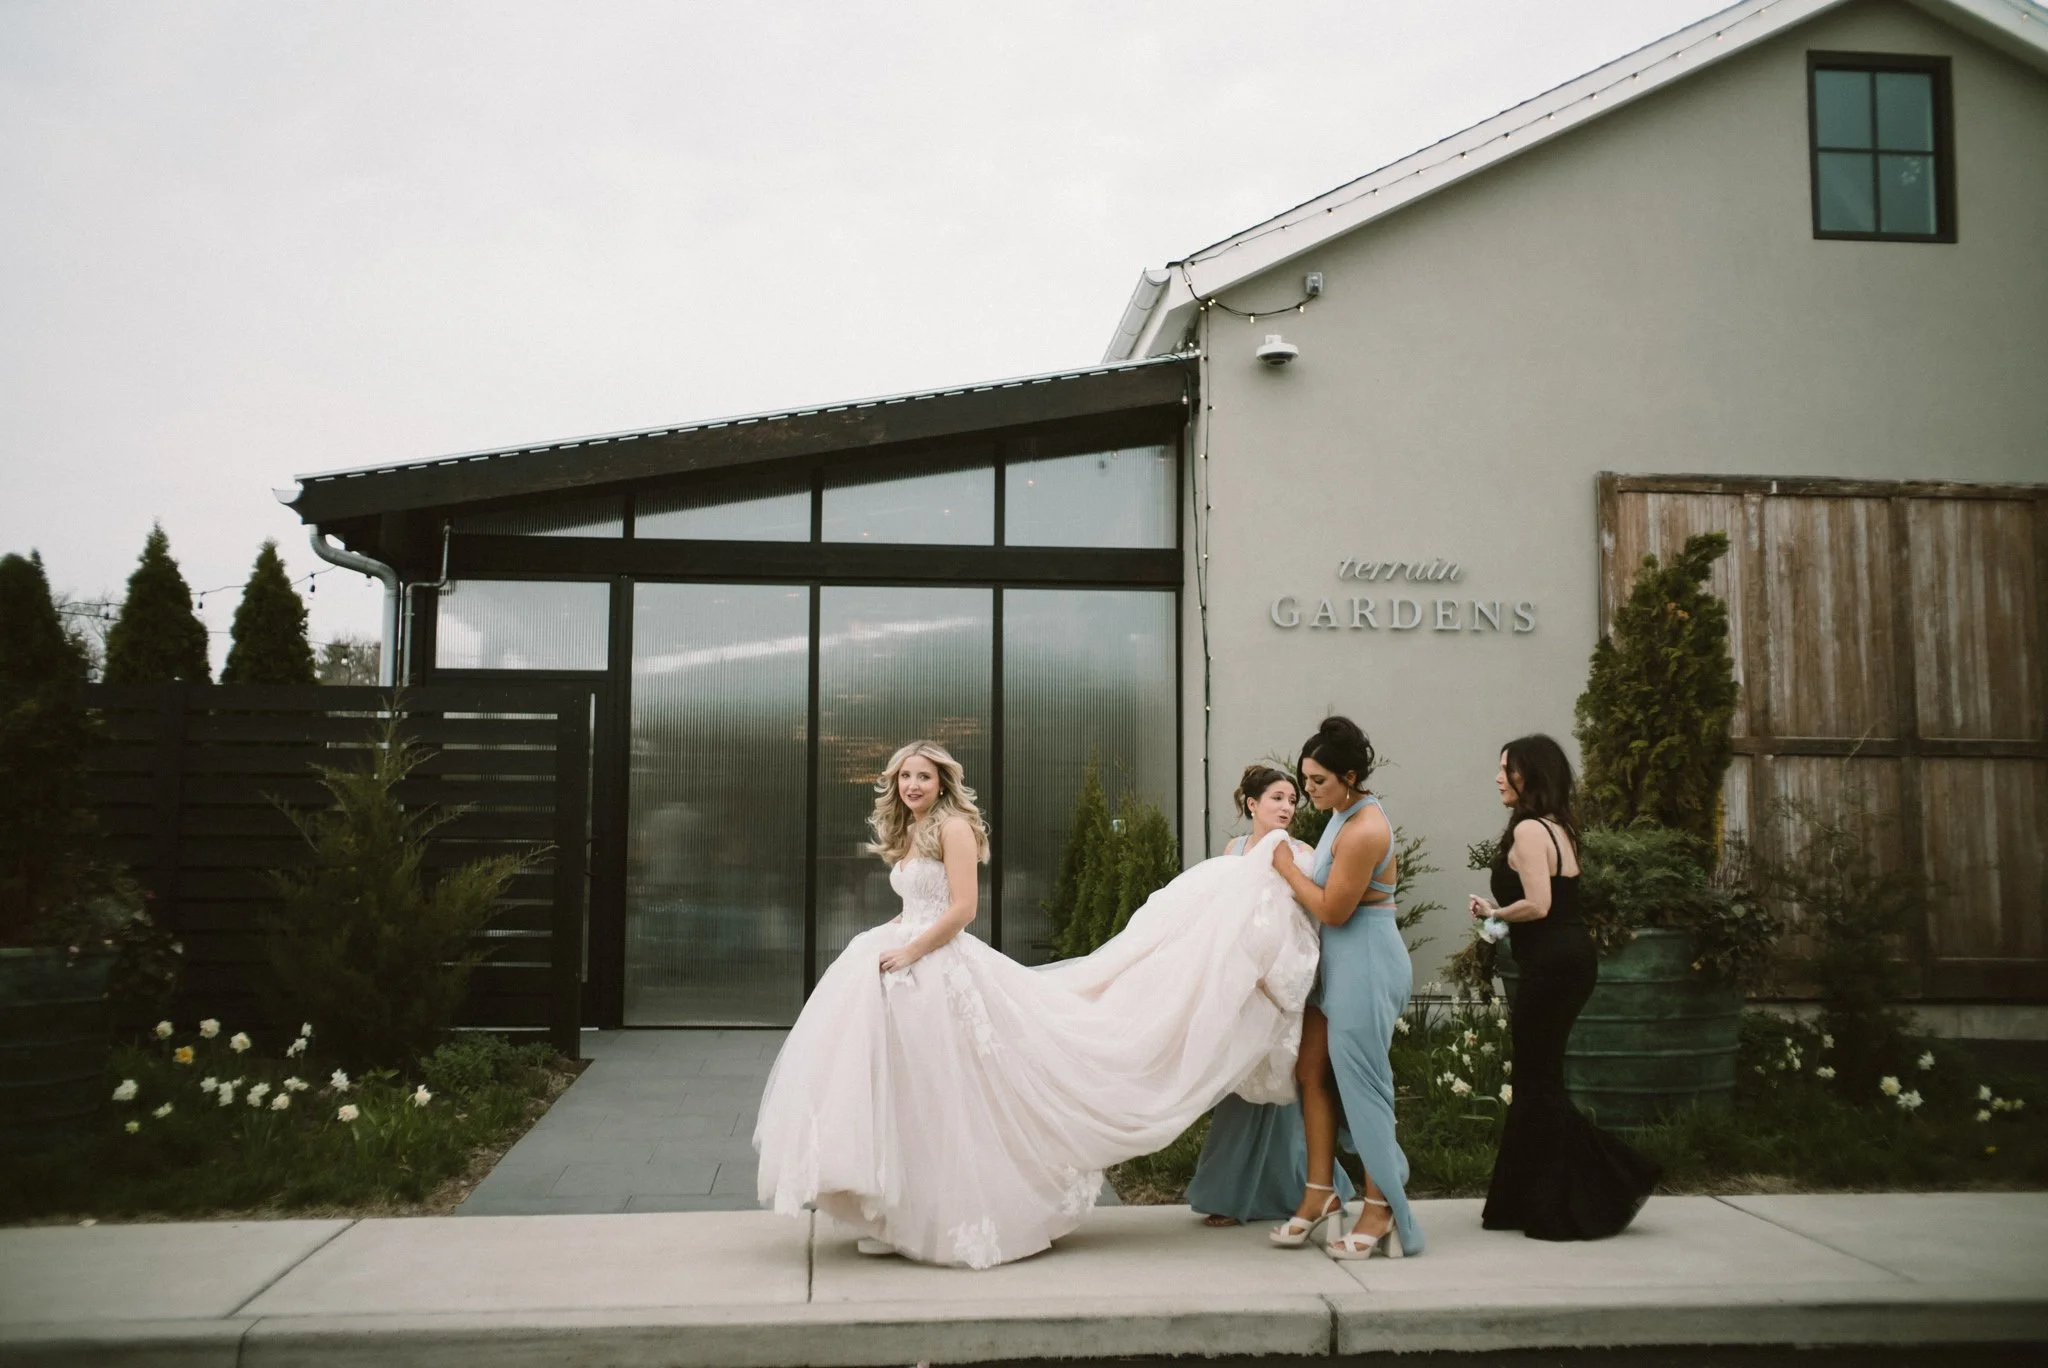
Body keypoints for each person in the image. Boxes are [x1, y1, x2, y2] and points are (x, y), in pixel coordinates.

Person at [753, 739, 1322, 1268]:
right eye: (905, 776)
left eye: (923, 776)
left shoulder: (953, 827)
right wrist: (893, 936)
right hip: (910, 962)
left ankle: (948, 1213)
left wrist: (912, 950)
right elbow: (916, 904)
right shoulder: (914, 828)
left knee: (954, 1094)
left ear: (942, 781)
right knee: (910, 1090)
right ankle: (895, 1212)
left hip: (939, 965)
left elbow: (962, 909)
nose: (912, 785)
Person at [1471, 734, 1660, 1240]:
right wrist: (1500, 917)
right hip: (1568, 959)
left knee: (1538, 1081)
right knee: (1538, 1077)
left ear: (1530, 775)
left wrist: (1494, 912)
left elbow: (1539, 904)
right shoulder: (1558, 827)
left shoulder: (1530, 830)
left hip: (1553, 965)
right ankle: (1525, 1200)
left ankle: (1610, 1183)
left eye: (1506, 768)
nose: (1497, 777)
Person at [1267, 717, 1422, 1259]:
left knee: (1363, 1085)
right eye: (1305, 779)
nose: (1308, 790)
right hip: (1334, 964)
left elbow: (1334, 909)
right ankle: (1320, 1194)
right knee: (1309, 1072)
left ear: (1350, 777)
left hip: (1367, 963)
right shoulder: (1341, 814)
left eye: (1319, 781)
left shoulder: (1366, 829)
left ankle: (1382, 1210)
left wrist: (1286, 868)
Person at [1186, 764, 1356, 1227]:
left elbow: (1311, 914)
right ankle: (1227, 1195)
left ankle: (1307, 1189)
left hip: (1288, 981)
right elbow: (1226, 914)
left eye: (1292, 800)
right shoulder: (1235, 850)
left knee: (1289, 1082)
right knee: (1241, 1083)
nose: (1287, 807)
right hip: (1246, 982)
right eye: (1277, 798)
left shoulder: (1302, 853)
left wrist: (1294, 977)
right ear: (1252, 804)